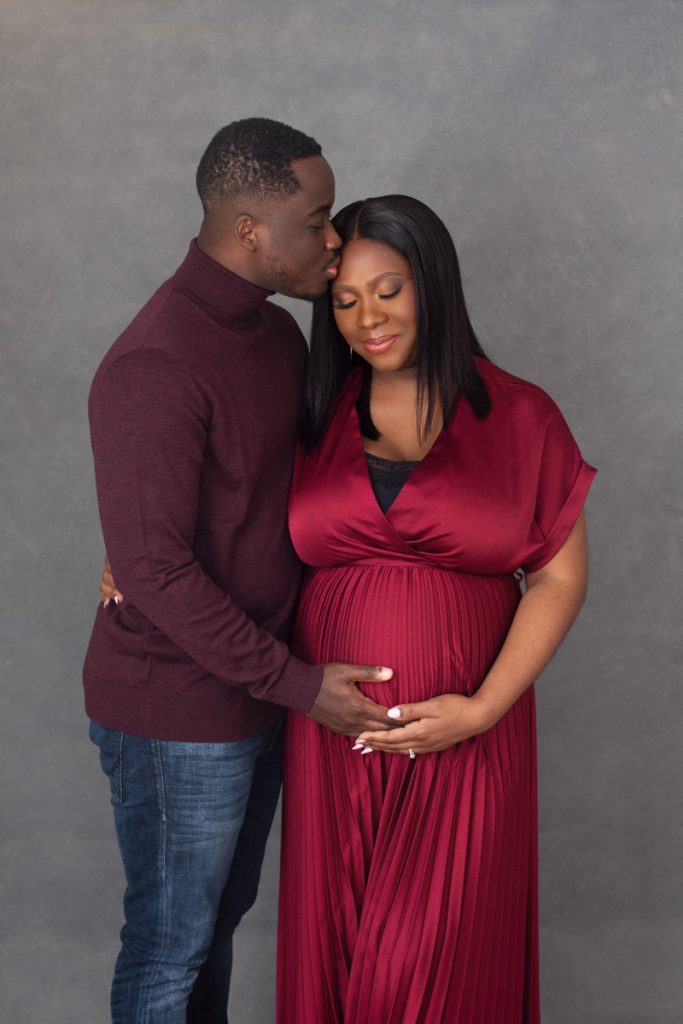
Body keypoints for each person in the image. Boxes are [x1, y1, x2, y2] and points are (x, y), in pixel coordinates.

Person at [84, 119, 395, 1024]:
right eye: (319, 217)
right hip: (178, 711)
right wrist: (299, 686)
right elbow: (156, 569)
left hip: (253, 689)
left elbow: (287, 496)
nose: (334, 240)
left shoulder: (275, 334)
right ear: (250, 227)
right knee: (170, 947)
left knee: (214, 926)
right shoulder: (155, 362)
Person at [276, 195, 597, 1022]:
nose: (366, 318)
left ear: (434, 283)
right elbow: (219, 501)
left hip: (466, 741)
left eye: (388, 289)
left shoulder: (521, 415)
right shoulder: (308, 413)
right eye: (343, 300)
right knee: (340, 957)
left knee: (442, 970)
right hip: (330, 744)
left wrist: (481, 709)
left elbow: (557, 579)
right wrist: (132, 546)